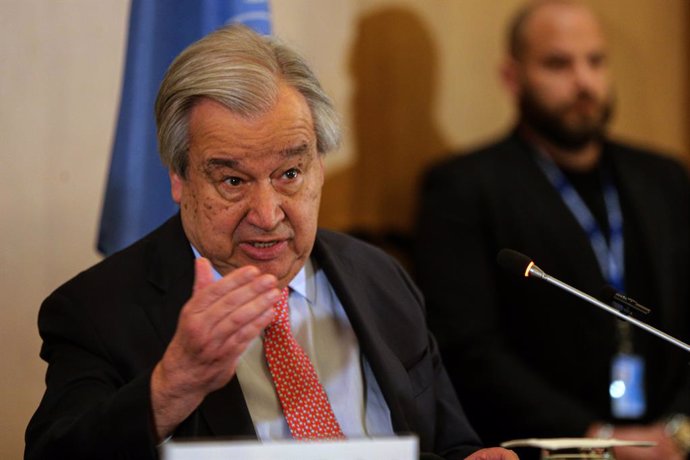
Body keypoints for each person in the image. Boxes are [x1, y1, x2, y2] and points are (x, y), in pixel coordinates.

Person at [25, 24, 517, 460]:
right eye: (233, 181)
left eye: (289, 174)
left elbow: (450, 443)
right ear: (178, 178)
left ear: (320, 167)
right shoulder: (97, 311)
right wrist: (172, 387)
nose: (267, 215)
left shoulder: (380, 277)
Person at [414, 1, 690, 459]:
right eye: (558, 64)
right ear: (512, 76)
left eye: (595, 61)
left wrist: (678, 429)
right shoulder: (462, 189)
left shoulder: (665, 179)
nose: (584, 82)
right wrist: (596, 438)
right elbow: (468, 349)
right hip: (546, 447)